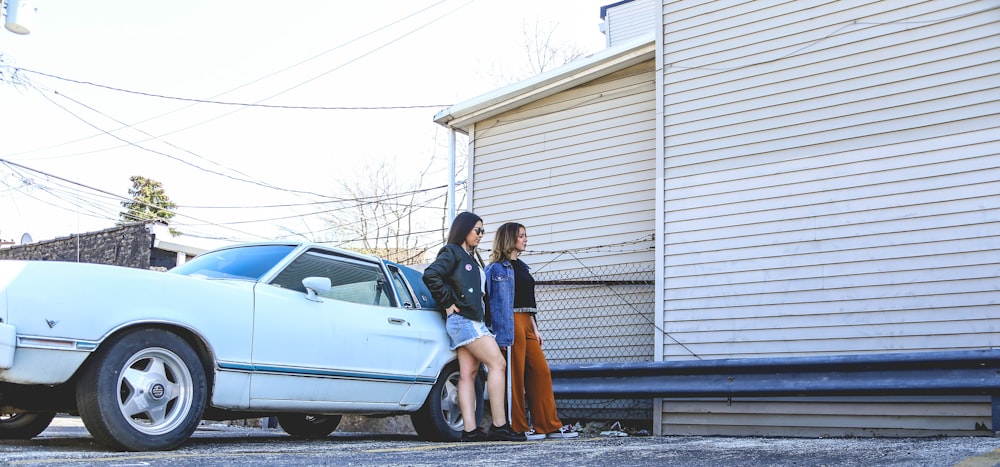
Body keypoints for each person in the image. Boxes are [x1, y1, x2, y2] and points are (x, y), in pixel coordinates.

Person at [422, 212, 526, 442]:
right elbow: (431, 275)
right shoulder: (452, 252)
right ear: (464, 229)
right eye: (476, 230)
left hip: (470, 320)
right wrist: (448, 303)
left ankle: (470, 430)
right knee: (498, 363)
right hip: (465, 320)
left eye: (482, 231)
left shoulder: (470, 257)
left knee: (468, 374)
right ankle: (499, 425)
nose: (480, 235)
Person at [485, 222, 579, 440]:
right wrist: (492, 330)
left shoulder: (523, 266)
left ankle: (548, 425)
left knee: (541, 372)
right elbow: (488, 301)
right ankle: (518, 426)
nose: (525, 239)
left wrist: (535, 327)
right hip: (509, 324)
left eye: (525, 236)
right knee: (514, 376)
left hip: (527, 322)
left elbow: (528, 301)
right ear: (509, 239)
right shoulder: (496, 268)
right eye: (521, 236)